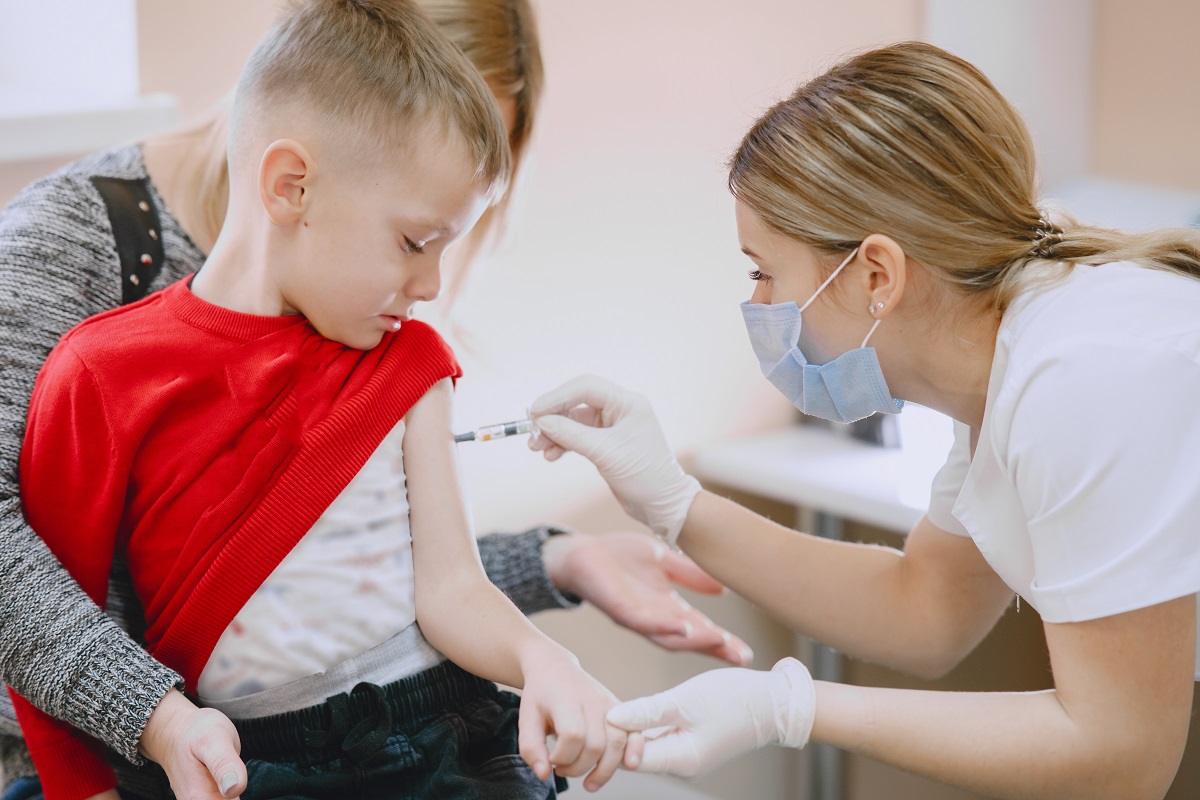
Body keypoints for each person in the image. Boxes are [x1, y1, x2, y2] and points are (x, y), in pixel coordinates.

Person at [0, 0, 749, 797]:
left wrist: (552, 587)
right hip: (186, 745)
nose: (430, 288)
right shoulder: (92, 312)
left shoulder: (384, 335)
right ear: (294, 183)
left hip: (429, 723)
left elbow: (374, 571)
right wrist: (147, 724)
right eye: (415, 242)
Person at [528, 40, 1200, 800]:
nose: (757, 307)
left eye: (764, 271)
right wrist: (673, 504)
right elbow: (924, 611)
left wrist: (794, 707)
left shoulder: (1078, 377)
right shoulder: (1000, 364)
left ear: (877, 275)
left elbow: (1122, 756)